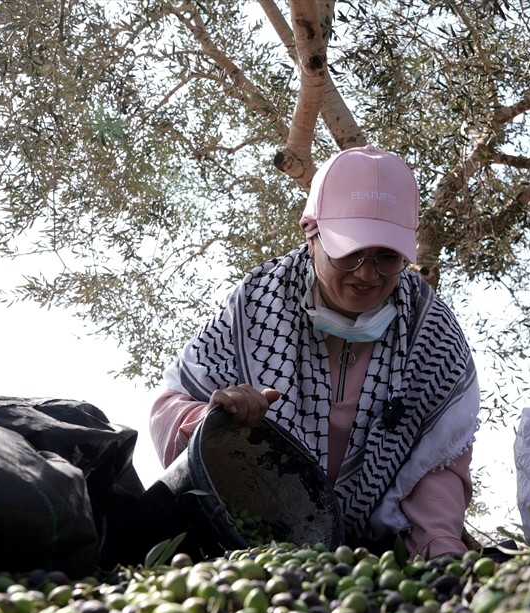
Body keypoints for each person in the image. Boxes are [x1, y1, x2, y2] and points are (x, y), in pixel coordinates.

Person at [150, 145, 480, 559]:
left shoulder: (430, 334)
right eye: (350, 252)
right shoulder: (256, 305)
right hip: (244, 548)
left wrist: (439, 544)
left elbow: (437, 464)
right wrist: (213, 420)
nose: (366, 273)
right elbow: (169, 407)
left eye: (386, 257)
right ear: (311, 233)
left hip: (371, 558)